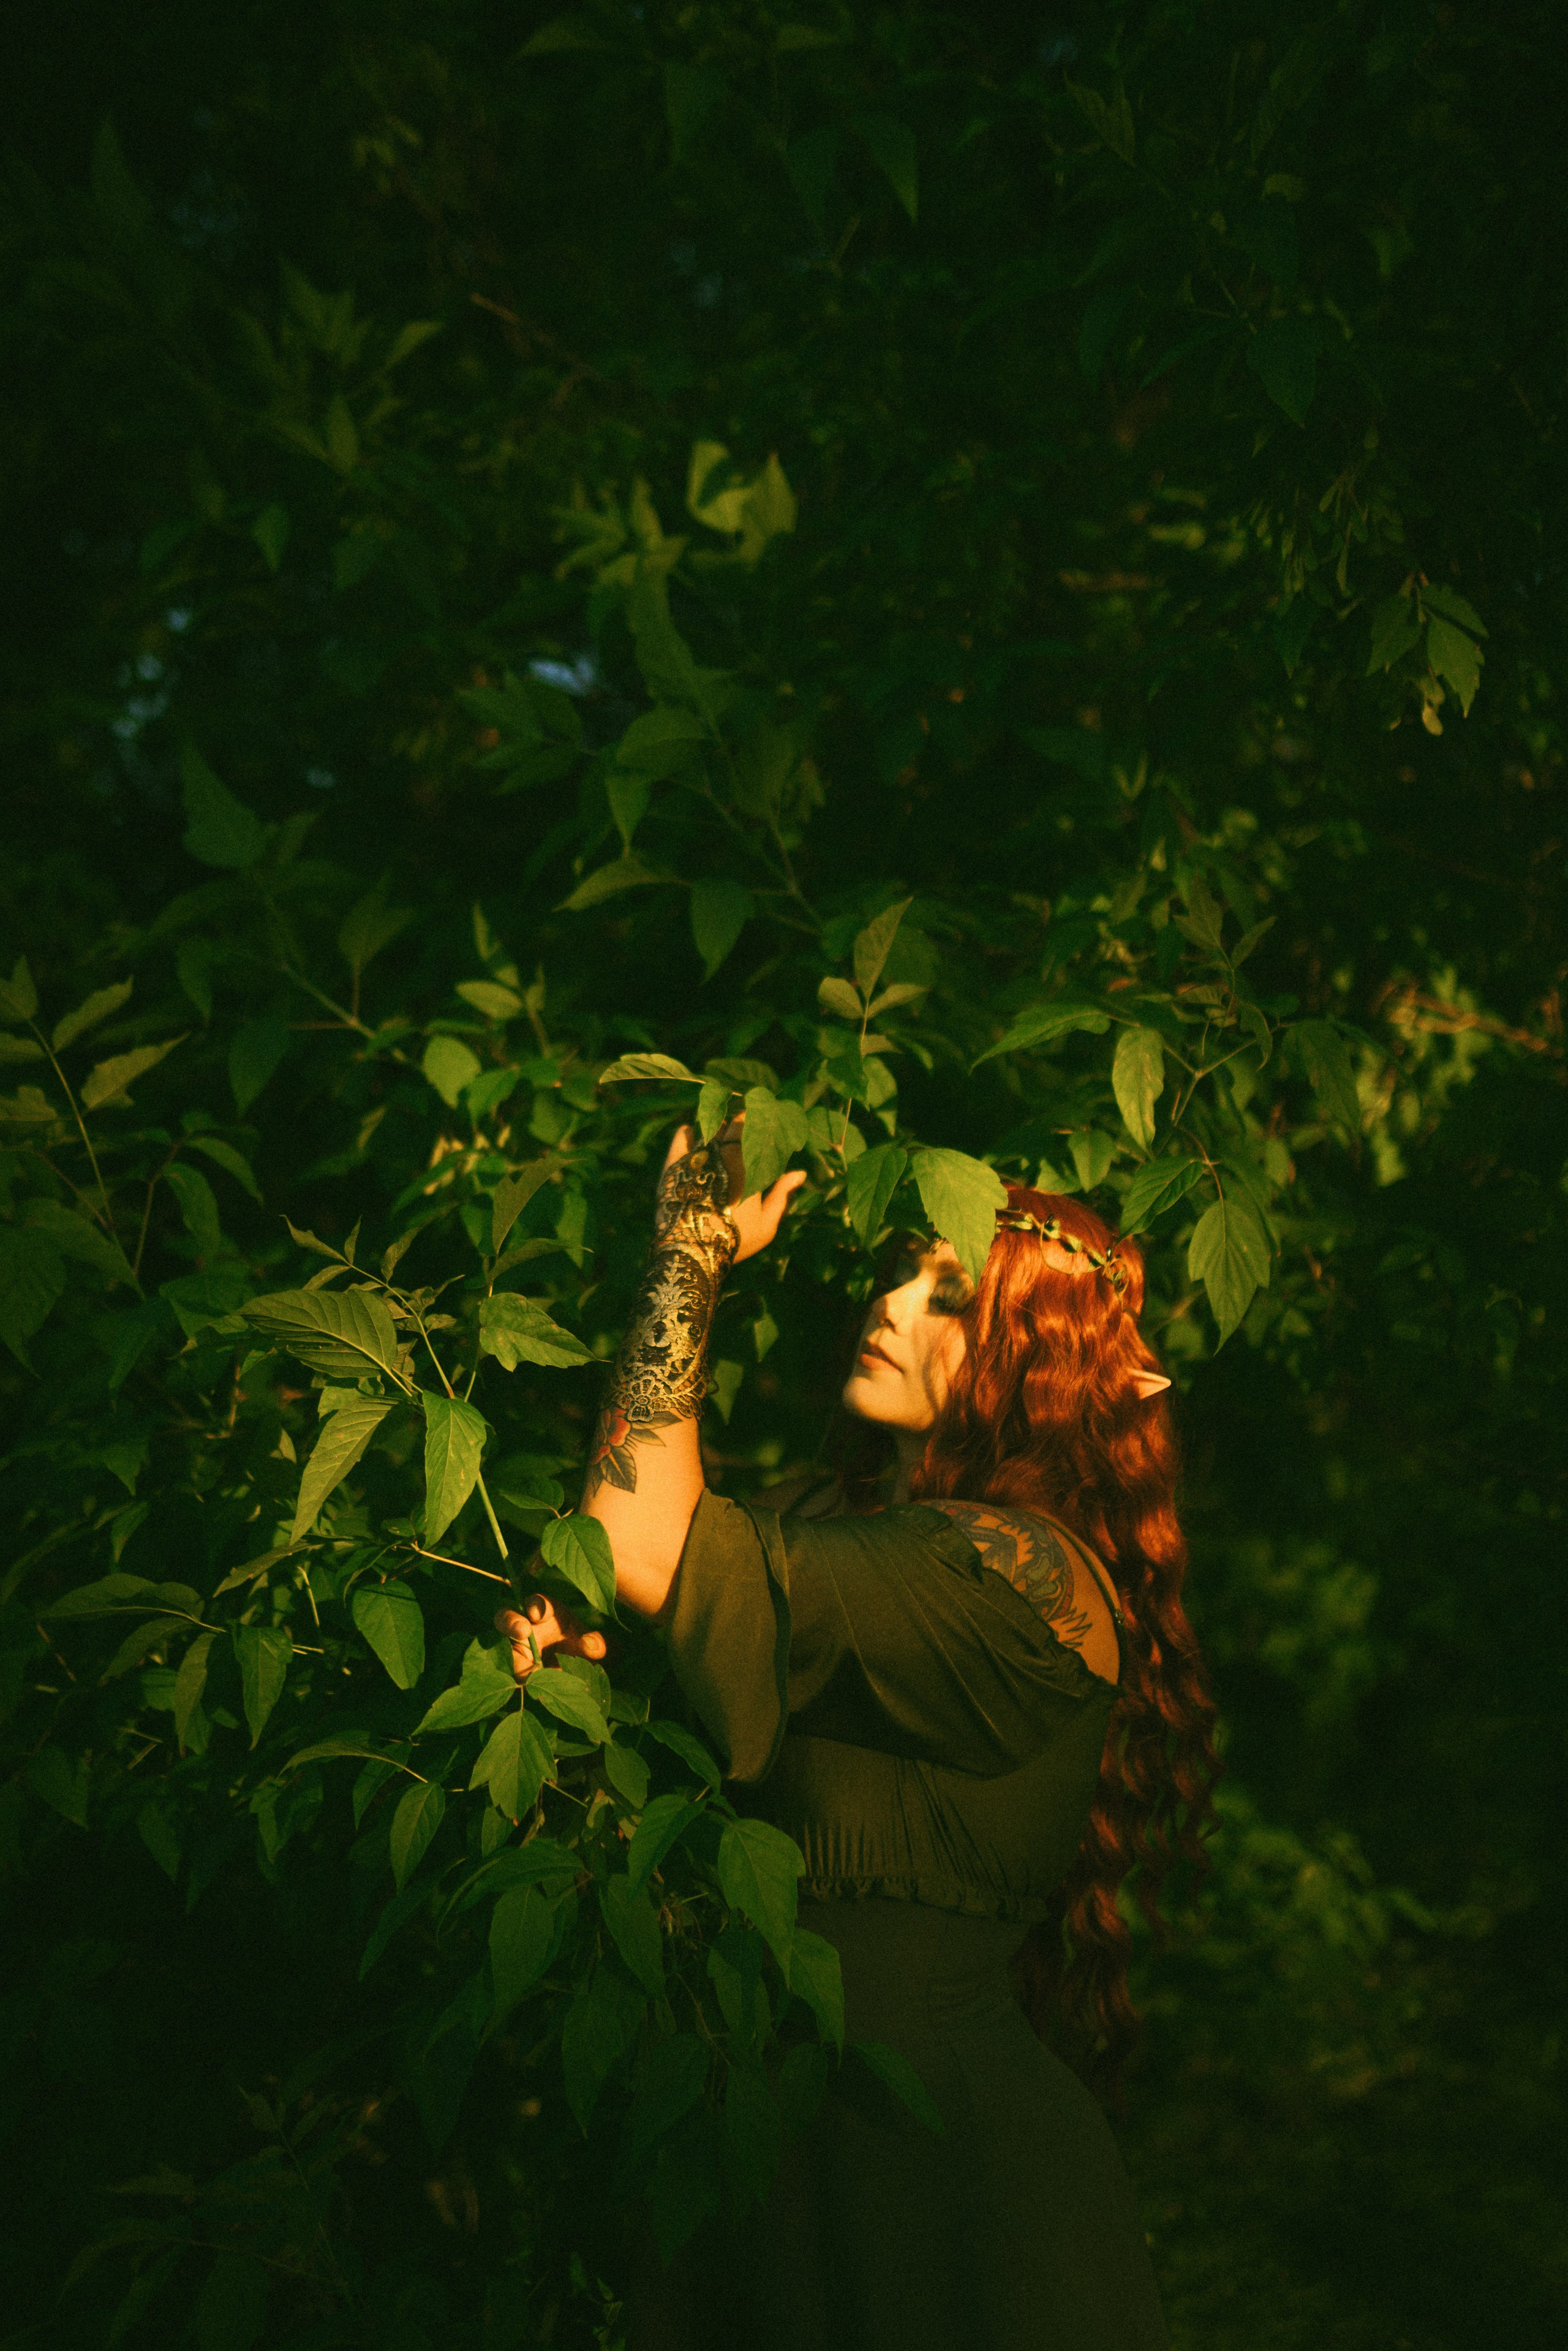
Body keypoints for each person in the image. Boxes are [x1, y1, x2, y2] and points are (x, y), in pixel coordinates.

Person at [497, 1123, 1218, 2350]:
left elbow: (634, 1533)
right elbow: (650, 1559)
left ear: (1033, 1359)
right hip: (770, 2143)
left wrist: (686, 1246)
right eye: (898, 1268)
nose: (888, 1301)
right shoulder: (841, 1520)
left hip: (930, 2175)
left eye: (946, 1294)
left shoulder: (1017, 1569)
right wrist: (570, 1656)